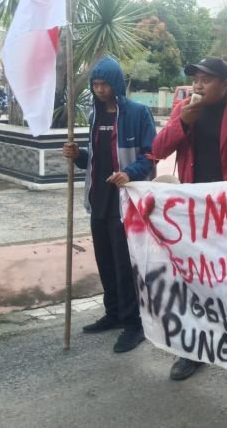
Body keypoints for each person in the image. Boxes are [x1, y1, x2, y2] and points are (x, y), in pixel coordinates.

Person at [151, 56, 227, 382]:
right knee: (196, 283)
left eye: (206, 79)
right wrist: (184, 124)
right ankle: (193, 350)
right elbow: (157, 151)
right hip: (195, 218)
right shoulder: (184, 111)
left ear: (224, 84)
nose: (198, 84)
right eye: (196, 78)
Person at [62, 57, 156, 354]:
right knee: (105, 261)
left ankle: (134, 323)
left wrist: (130, 173)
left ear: (115, 84)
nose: (99, 89)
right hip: (99, 200)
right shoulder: (94, 115)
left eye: (104, 84)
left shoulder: (138, 113)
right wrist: (77, 155)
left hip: (125, 203)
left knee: (124, 264)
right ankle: (113, 312)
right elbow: (96, 158)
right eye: (95, 84)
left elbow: (151, 155)